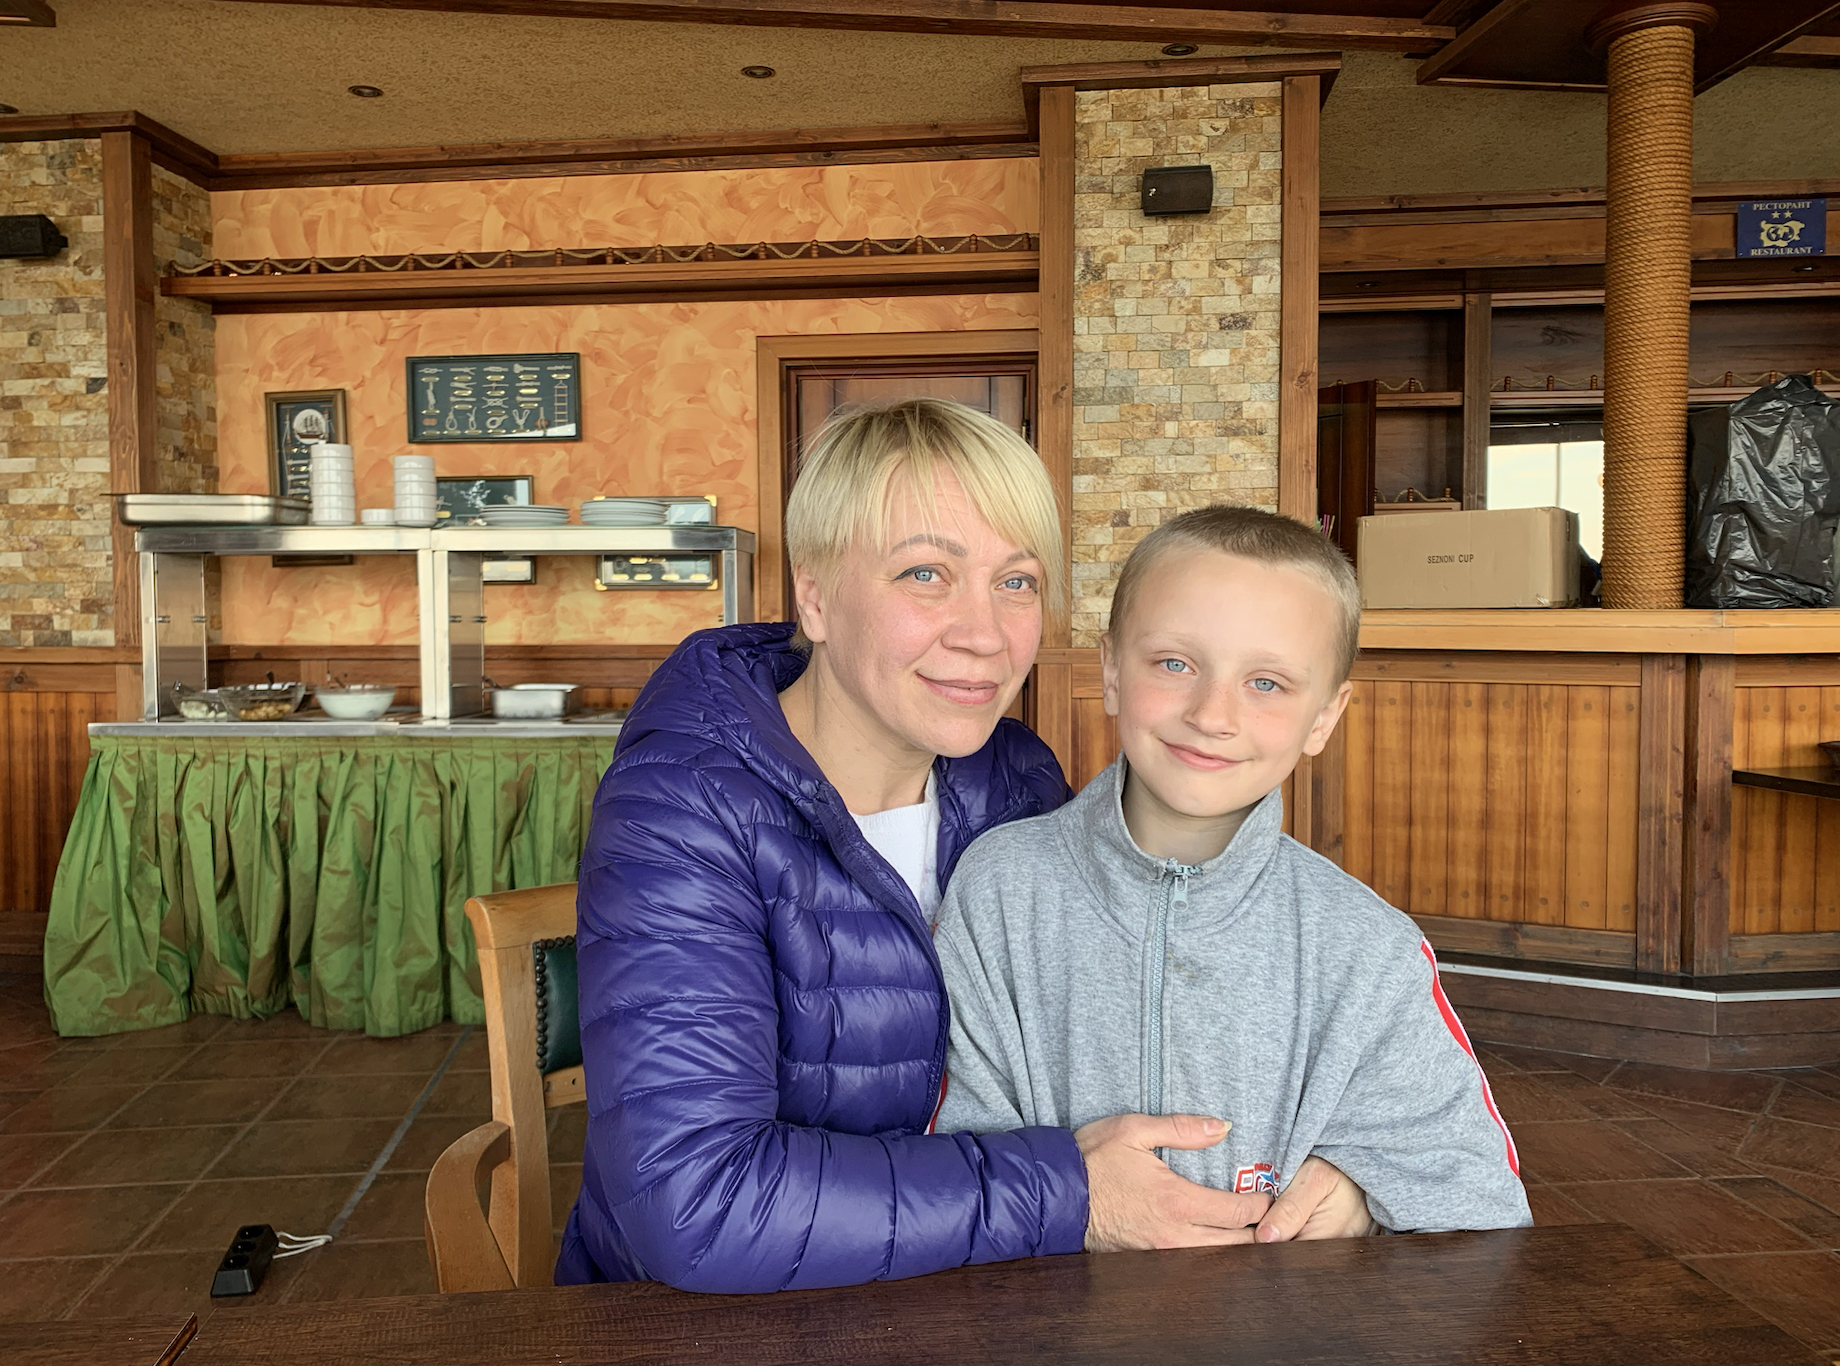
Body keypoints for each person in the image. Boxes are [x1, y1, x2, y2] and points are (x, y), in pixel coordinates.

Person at [556, 401, 1374, 1292]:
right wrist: (1070, 1193)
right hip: (715, 1323)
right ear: (816, 595)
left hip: (978, 1296)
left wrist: (1341, 1162)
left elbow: (1140, 1019)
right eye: (925, 574)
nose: (984, 633)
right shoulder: (680, 809)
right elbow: (697, 1204)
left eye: (1016, 582)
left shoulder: (1013, 780)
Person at [934, 505, 1532, 1235]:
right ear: (1112, 671)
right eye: (1175, 664)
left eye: (1268, 683)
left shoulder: (1370, 949)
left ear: (1325, 717)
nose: (1213, 714)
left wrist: (1369, 1200)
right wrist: (1069, 1201)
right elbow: (947, 1163)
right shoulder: (997, 891)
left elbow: (1480, 1207)